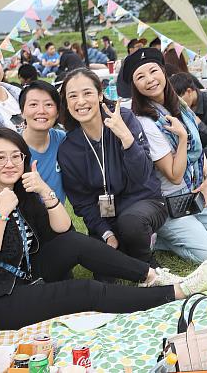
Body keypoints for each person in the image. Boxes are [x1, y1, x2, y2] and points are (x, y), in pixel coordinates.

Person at [0, 127, 207, 332]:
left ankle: (151, 275)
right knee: (83, 291)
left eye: (16, 157)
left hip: (25, 274)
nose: (10, 164)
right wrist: (2, 214)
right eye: (0, 158)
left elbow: (62, 230)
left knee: (74, 243)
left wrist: (45, 191)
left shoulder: (22, 190)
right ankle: (175, 292)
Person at [124, 48, 207, 262]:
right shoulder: (145, 122)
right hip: (170, 203)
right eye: (140, 77)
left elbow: (198, 148)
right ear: (135, 86)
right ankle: (155, 237)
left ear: (163, 71)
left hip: (195, 192)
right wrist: (182, 138)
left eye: (153, 71)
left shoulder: (180, 104)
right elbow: (174, 175)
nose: (149, 80)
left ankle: (189, 231)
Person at [57, 68, 169, 266]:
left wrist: (126, 138)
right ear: (66, 102)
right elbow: (82, 201)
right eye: (72, 96)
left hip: (143, 203)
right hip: (107, 216)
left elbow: (142, 175)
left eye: (87, 93)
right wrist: (106, 233)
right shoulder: (68, 148)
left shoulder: (123, 119)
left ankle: (147, 263)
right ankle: (129, 245)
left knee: (131, 224)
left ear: (100, 94)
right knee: (101, 268)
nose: (80, 101)